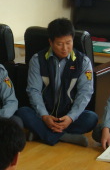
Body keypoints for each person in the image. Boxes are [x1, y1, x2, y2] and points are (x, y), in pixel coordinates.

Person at [15, 18, 97, 147]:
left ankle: (40, 133)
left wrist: (70, 117)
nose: (65, 48)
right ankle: (64, 136)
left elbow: (85, 93)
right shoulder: (37, 60)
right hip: (45, 113)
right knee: (23, 112)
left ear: (73, 40)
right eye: (59, 44)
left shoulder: (83, 62)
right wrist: (44, 116)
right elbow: (34, 91)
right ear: (51, 42)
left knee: (91, 118)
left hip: (68, 114)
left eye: (68, 43)